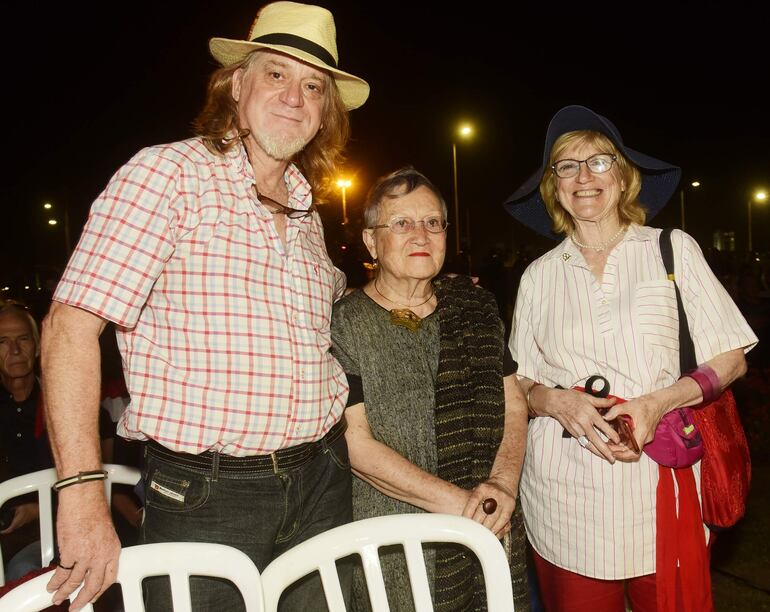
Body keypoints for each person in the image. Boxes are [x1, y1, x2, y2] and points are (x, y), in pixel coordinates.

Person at [40, 2, 369, 610]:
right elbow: (68, 328)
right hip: (208, 496)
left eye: (314, 86)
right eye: (276, 74)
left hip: (323, 477)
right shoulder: (167, 175)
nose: (295, 96)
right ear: (236, 84)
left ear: (325, 113)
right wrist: (82, 489)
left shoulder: (307, 210)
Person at [503, 105, 758, 612]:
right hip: (564, 498)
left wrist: (657, 403)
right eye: (567, 166)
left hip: (661, 491)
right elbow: (521, 384)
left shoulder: (672, 250)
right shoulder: (538, 275)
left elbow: (732, 357)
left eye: (599, 161)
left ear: (624, 177)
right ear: (554, 187)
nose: (584, 176)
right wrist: (554, 402)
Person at [331, 167, 530, 611]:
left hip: (491, 521)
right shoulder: (342, 323)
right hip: (393, 541)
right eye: (401, 223)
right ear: (370, 242)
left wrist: (500, 486)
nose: (420, 235)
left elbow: (514, 405)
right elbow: (355, 444)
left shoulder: (474, 308)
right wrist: (466, 508)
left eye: (433, 223)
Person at [0, 303, 53, 582]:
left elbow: (97, 480)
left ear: (37, 346)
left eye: (22, 339)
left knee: (23, 572)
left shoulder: (64, 405)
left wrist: (40, 508)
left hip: (54, 529)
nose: (15, 350)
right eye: (3, 342)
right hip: (6, 537)